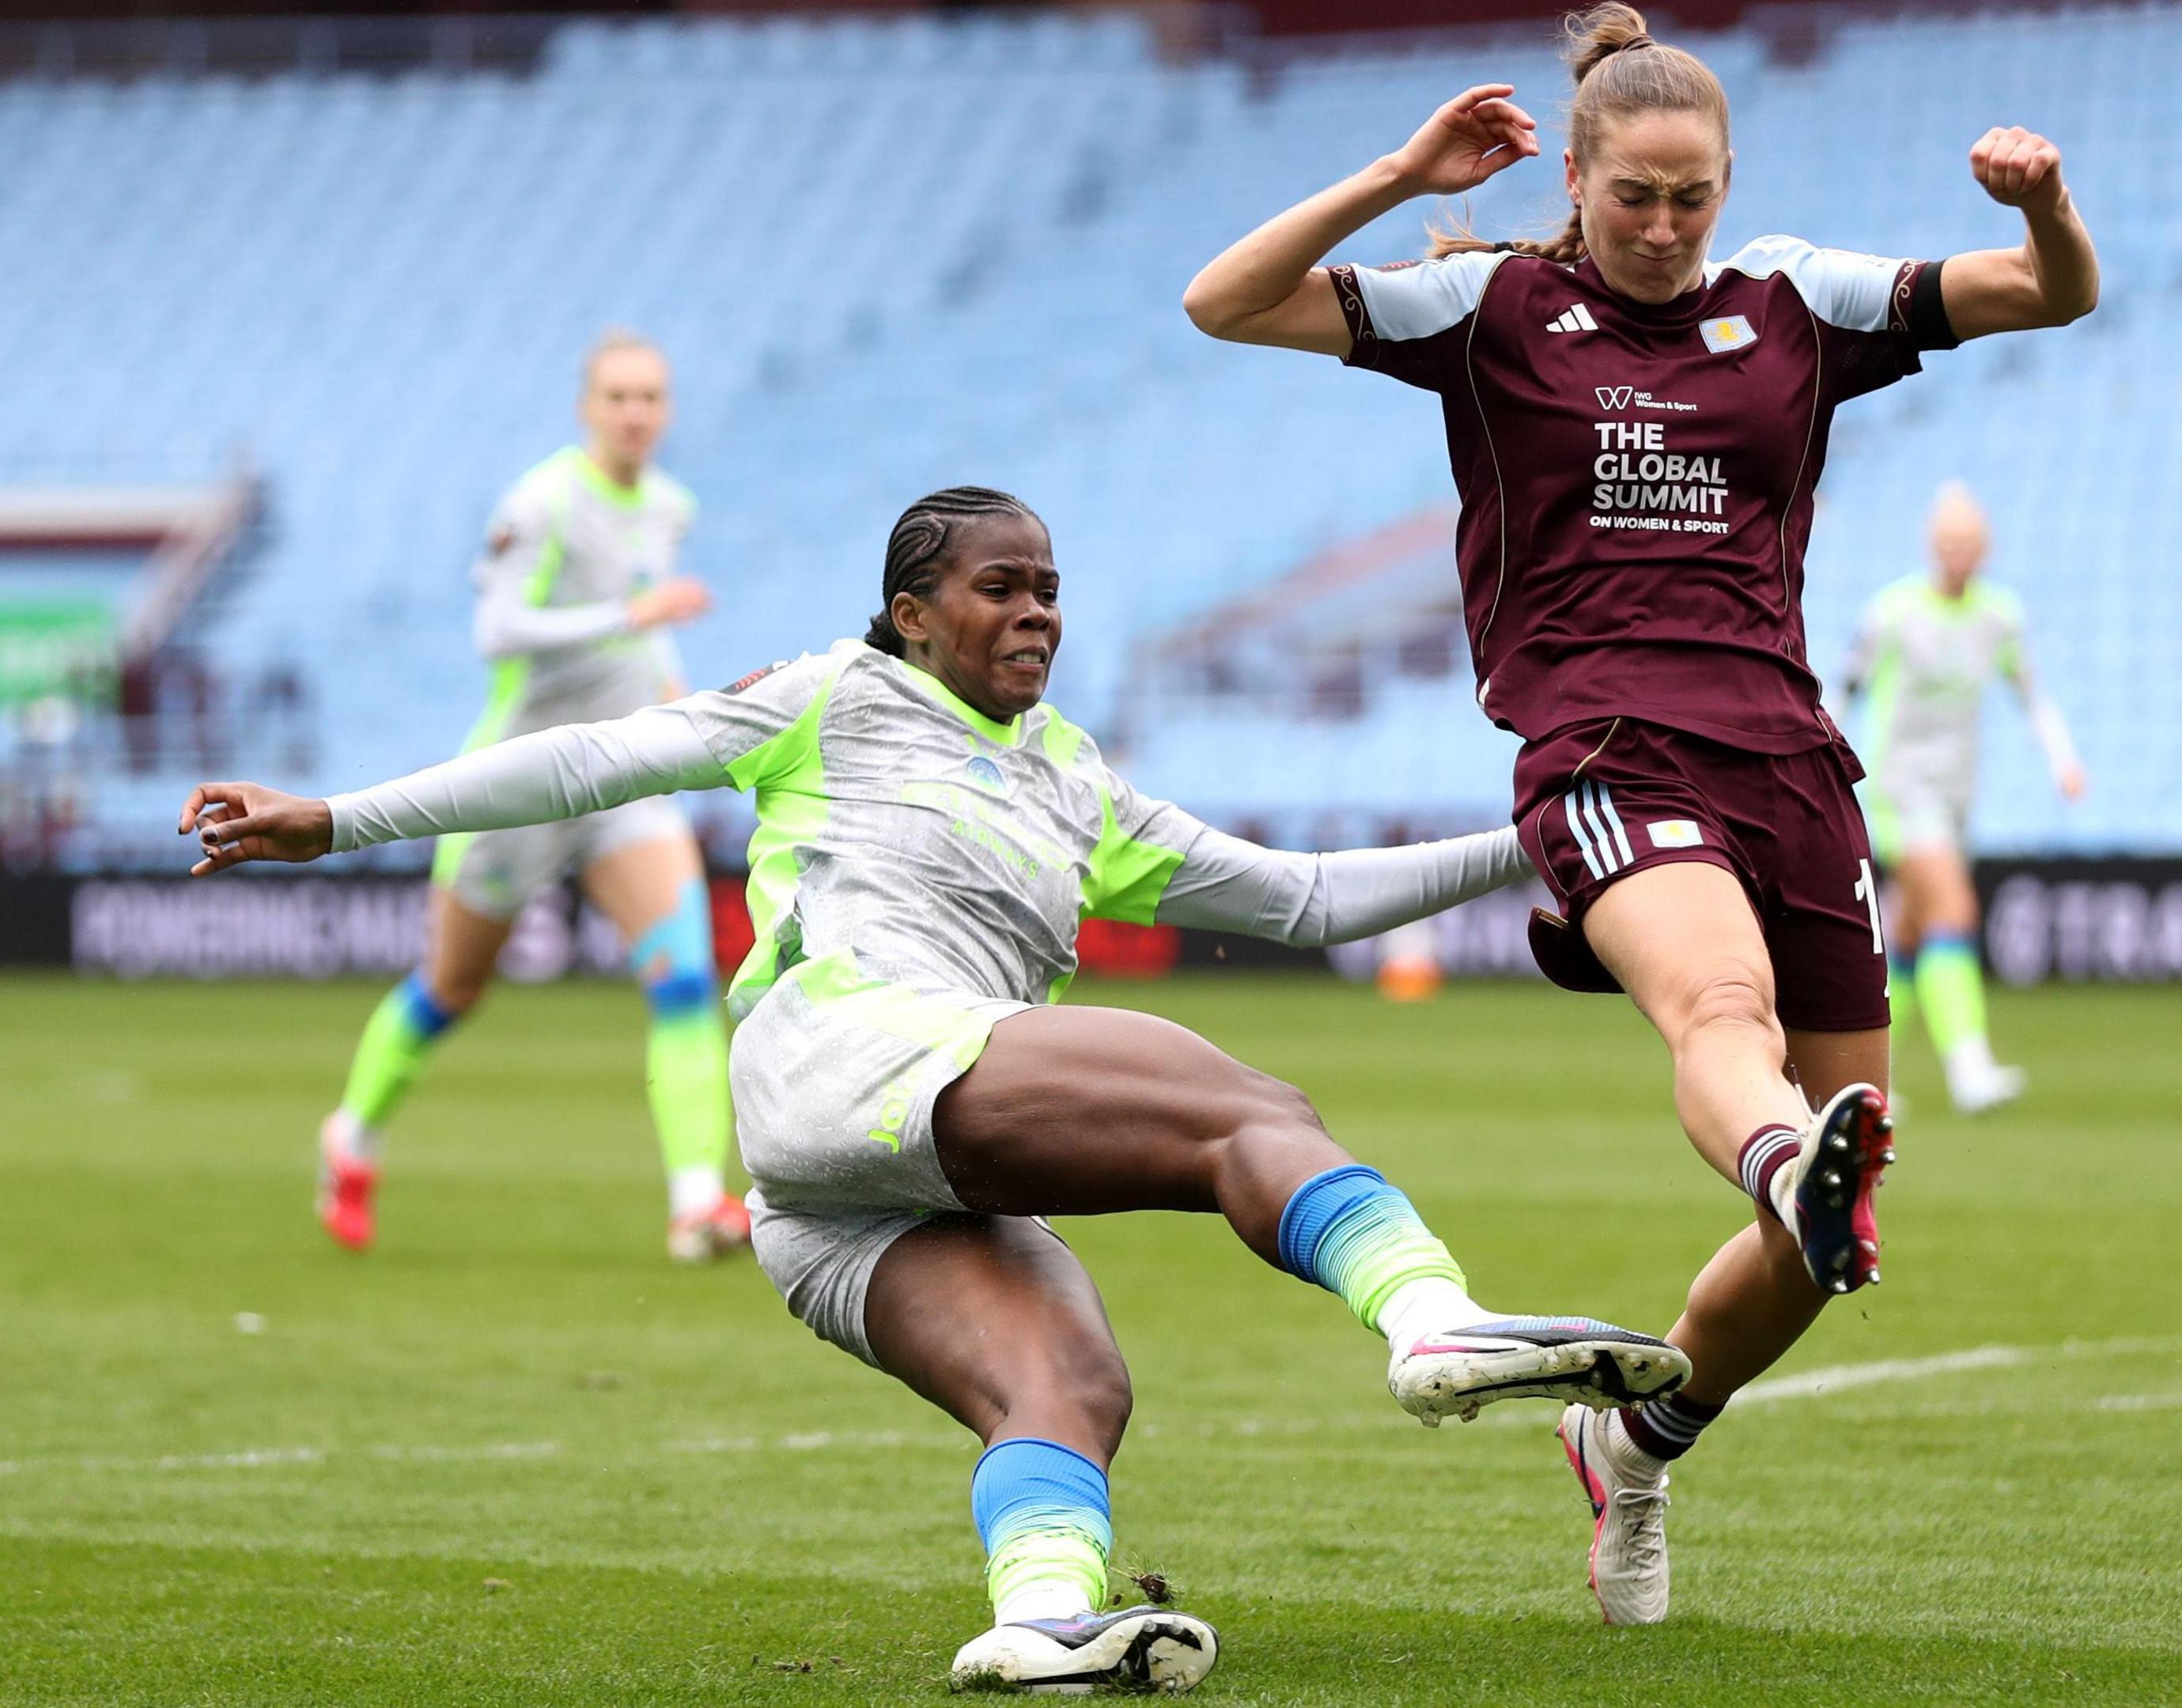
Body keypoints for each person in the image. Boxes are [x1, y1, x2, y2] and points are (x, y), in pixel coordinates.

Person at [183, 486, 1690, 1694]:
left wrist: (1535, 836)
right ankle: (1433, 1320)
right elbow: (592, 760)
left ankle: (1041, 1626)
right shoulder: (830, 695)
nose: (1034, 613)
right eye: (997, 587)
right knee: (1237, 1097)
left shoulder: (1073, 780)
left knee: (1069, 1382)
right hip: (844, 1059)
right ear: (912, 613)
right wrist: (336, 819)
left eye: (1047, 590)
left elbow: (1301, 898)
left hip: (831, 1203)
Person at [1182, 2, 2096, 1625]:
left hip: (1796, 766)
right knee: (1719, 1004)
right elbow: (1224, 301)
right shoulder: (1491, 307)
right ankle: (1780, 1159)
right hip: (1602, 746)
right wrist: (1400, 175)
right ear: (1583, 182)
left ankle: (1642, 1439)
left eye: (1693, 200)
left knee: (1834, 1249)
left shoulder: (1795, 301)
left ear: (1728, 186)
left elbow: (2052, 292)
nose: (1666, 231)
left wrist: (2037, 203)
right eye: (1634, 200)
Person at [316, 331, 743, 1261]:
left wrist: (672, 684)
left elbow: (644, 625)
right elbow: (497, 633)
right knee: (451, 989)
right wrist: (630, 619)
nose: (637, 413)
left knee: (683, 981)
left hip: (624, 776)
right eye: (620, 397)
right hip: (521, 782)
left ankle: (695, 1202)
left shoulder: (669, 507)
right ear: (588, 407)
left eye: (652, 397)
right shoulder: (543, 502)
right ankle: (351, 1137)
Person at [1840, 480, 2085, 1114]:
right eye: (1948, 541)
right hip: (1900, 786)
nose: (1958, 552)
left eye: (1969, 543)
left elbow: (2030, 692)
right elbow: (1846, 689)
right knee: (1953, 907)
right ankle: (1969, 1067)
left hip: (1955, 794)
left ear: (1985, 548)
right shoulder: (1892, 613)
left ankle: (1857, 1081)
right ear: (1931, 544)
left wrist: (2064, 760)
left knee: (1911, 940)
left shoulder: (1999, 615)